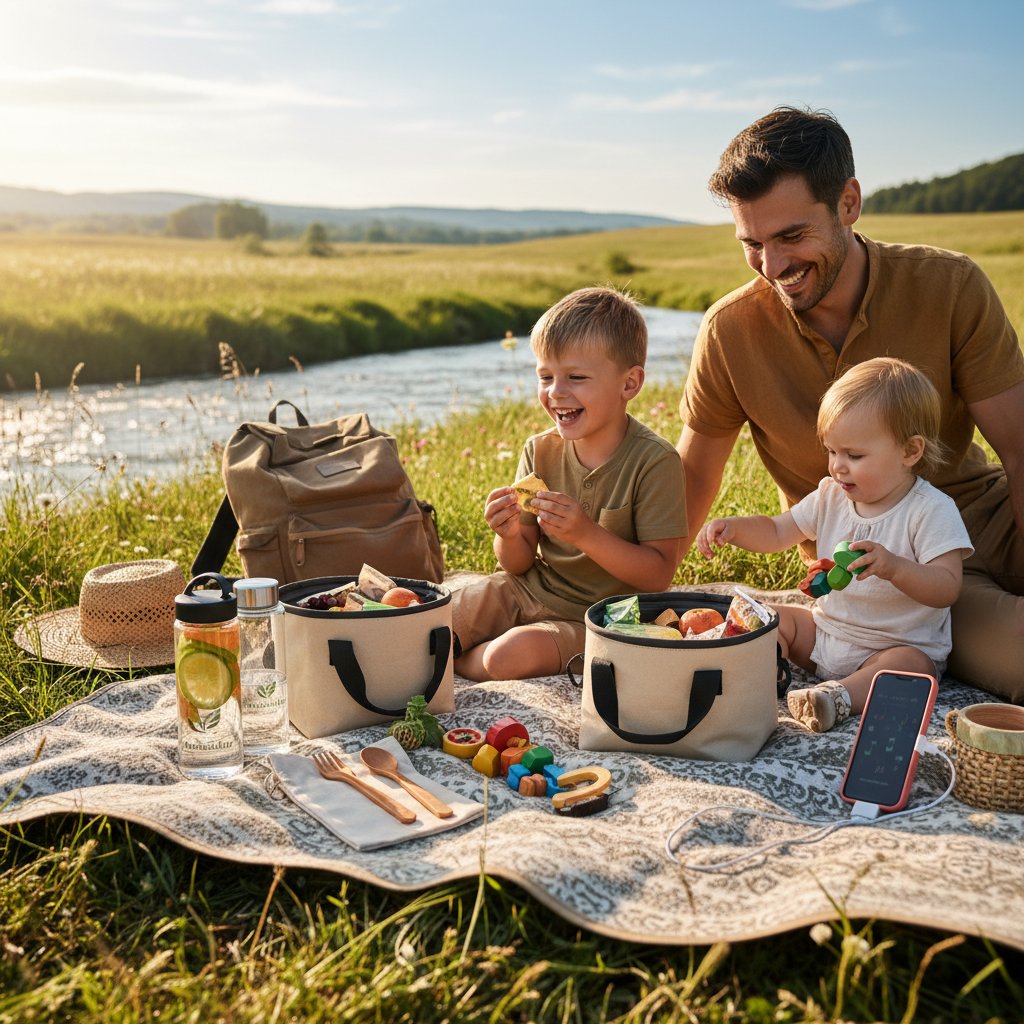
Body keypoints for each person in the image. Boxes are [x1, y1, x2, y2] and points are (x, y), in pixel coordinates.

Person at [677, 106, 1024, 703]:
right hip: (885, 591)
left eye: (792, 236)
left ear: (848, 203)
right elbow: (690, 483)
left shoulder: (949, 285)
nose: (773, 266)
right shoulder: (730, 331)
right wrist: (618, 593)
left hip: (990, 520)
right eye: (753, 243)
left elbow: (1019, 448)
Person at [697, 358, 973, 731]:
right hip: (826, 634)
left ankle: (835, 697)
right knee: (771, 618)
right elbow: (778, 530)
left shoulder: (930, 510)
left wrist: (894, 567)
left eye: (854, 455)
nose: (837, 466)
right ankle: (756, 677)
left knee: (913, 668)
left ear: (910, 451)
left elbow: (947, 586)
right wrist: (734, 529)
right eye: (831, 451)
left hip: (893, 646)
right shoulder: (831, 495)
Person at [452, 286, 687, 681]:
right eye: (545, 376)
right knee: (433, 622)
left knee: (507, 657)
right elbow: (517, 563)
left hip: (599, 619)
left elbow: (657, 575)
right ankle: (438, 651)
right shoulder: (539, 450)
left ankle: (448, 664)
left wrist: (584, 533)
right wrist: (508, 535)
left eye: (576, 377)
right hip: (524, 589)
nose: (556, 392)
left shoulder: (655, 462)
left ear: (629, 384)